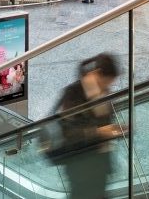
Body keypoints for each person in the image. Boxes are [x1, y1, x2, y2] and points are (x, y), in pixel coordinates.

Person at [49, 54, 124, 199]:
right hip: (80, 166)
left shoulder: (103, 92)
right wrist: (99, 132)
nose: (108, 86)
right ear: (96, 74)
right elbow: (68, 132)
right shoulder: (73, 93)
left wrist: (115, 130)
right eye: (106, 82)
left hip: (99, 165)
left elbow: (105, 120)